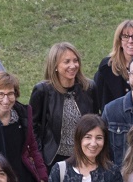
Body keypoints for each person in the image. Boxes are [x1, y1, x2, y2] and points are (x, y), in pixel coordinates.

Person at [30, 43, 98, 175]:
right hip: (54, 160)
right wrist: (40, 158)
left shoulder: (89, 88)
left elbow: (96, 122)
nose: (73, 66)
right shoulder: (43, 90)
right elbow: (33, 127)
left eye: (75, 60)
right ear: (55, 65)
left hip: (85, 157)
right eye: (67, 62)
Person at [0, 72, 47, 182]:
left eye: (10, 94)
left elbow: (32, 147)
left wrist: (41, 176)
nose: (6, 100)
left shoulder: (23, 115)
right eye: (0, 94)